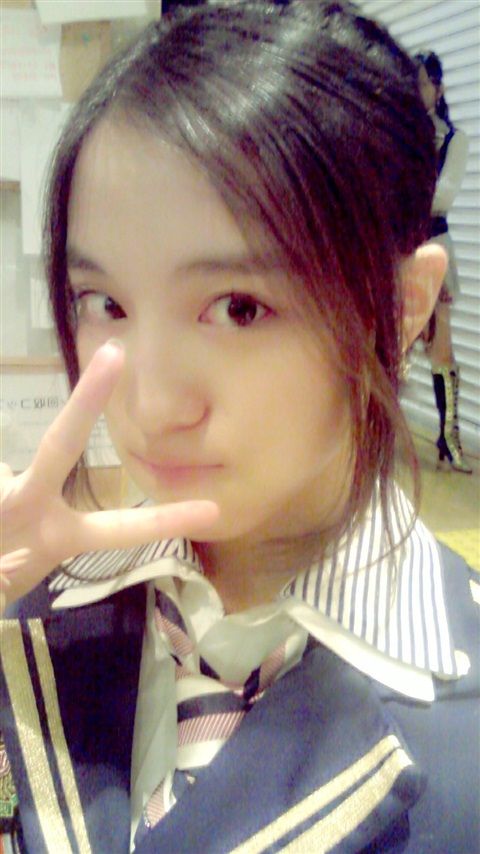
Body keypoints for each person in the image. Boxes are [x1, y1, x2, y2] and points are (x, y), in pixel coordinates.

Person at [1, 3, 479, 852]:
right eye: (103, 302)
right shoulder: (32, 603)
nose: (151, 406)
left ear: (404, 306)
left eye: (238, 308)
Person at [415, 50, 472, 473]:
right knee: (381, 347)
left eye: (422, 83)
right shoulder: (396, 136)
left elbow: (443, 195)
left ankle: (448, 440)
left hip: (432, 244)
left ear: (439, 88)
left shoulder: (453, 139)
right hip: (396, 248)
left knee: (441, 347)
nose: (416, 92)